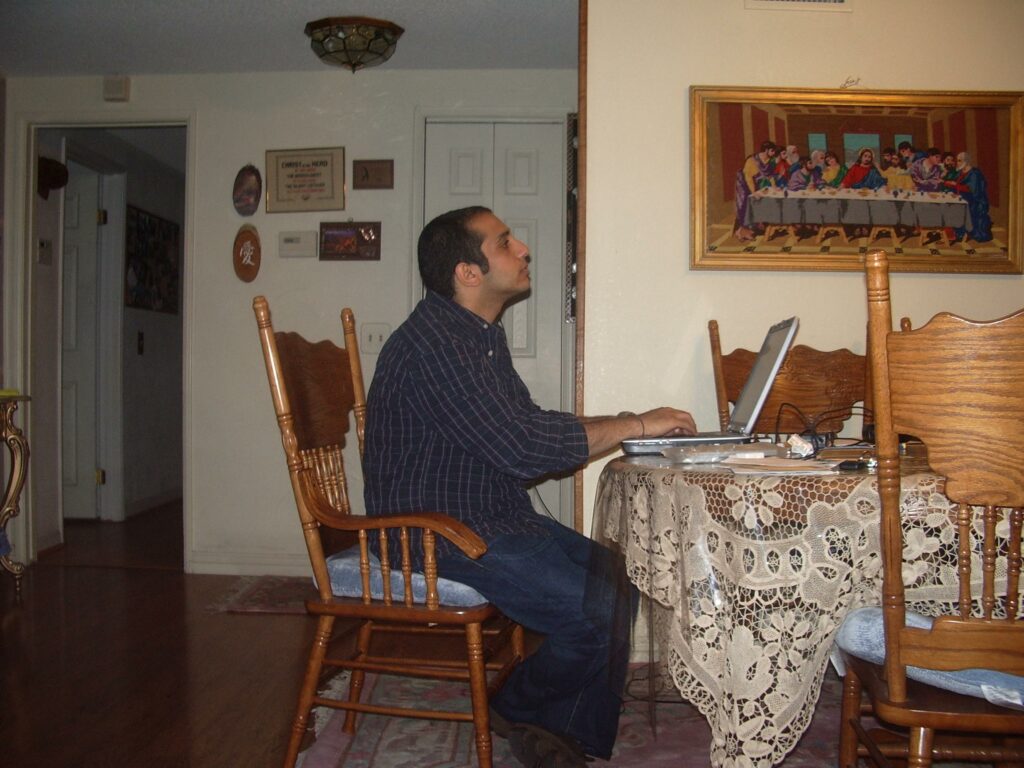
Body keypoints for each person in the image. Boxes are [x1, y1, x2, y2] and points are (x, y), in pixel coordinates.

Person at [362, 206, 696, 767]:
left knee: (619, 579)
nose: (522, 250)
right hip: (433, 530)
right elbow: (524, 449)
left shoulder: (474, 337)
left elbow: (527, 428)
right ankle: (511, 706)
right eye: (504, 243)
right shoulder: (438, 345)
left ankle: (565, 736)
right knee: (590, 614)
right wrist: (637, 424)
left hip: (486, 515)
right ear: (468, 272)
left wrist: (629, 422)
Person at [733, 140, 778, 242]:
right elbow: (748, 177)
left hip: (755, 184)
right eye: (772, 151)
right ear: (766, 150)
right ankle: (742, 231)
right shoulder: (752, 160)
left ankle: (756, 226)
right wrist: (753, 192)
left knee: (761, 201)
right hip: (744, 184)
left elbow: (770, 175)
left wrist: (774, 187)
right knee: (747, 203)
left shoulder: (768, 161)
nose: (774, 153)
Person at [944, 151, 993, 242]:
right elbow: (956, 185)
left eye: (959, 161)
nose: (957, 163)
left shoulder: (974, 173)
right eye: (957, 160)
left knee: (955, 209)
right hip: (963, 199)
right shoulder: (961, 172)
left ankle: (960, 233)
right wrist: (951, 187)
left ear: (966, 161)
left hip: (975, 201)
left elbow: (972, 190)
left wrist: (955, 185)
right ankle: (957, 232)